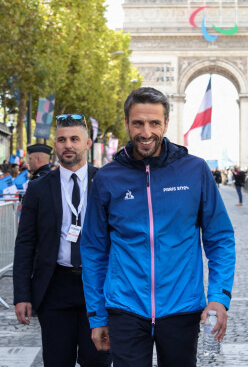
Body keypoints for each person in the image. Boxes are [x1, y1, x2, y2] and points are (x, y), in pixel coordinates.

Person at [81, 87, 236, 366]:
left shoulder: (196, 170)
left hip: (182, 307)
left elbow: (220, 238)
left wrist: (218, 297)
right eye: (138, 123)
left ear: (166, 123)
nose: (146, 132)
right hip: (125, 308)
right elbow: (93, 250)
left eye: (154, 123)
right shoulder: (107, 178)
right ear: (127, 123)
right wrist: (97, 316)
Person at [13, 114, 111, 367]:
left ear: (88, 143)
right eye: (62, 139)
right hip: (55, 287)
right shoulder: (37, 189)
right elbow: (25, 244)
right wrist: (21, 295)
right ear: (55, 145)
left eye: (74, 139)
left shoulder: (107, 182)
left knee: (98, 361)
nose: (68, 145)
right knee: (56, 361)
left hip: (99, 288)